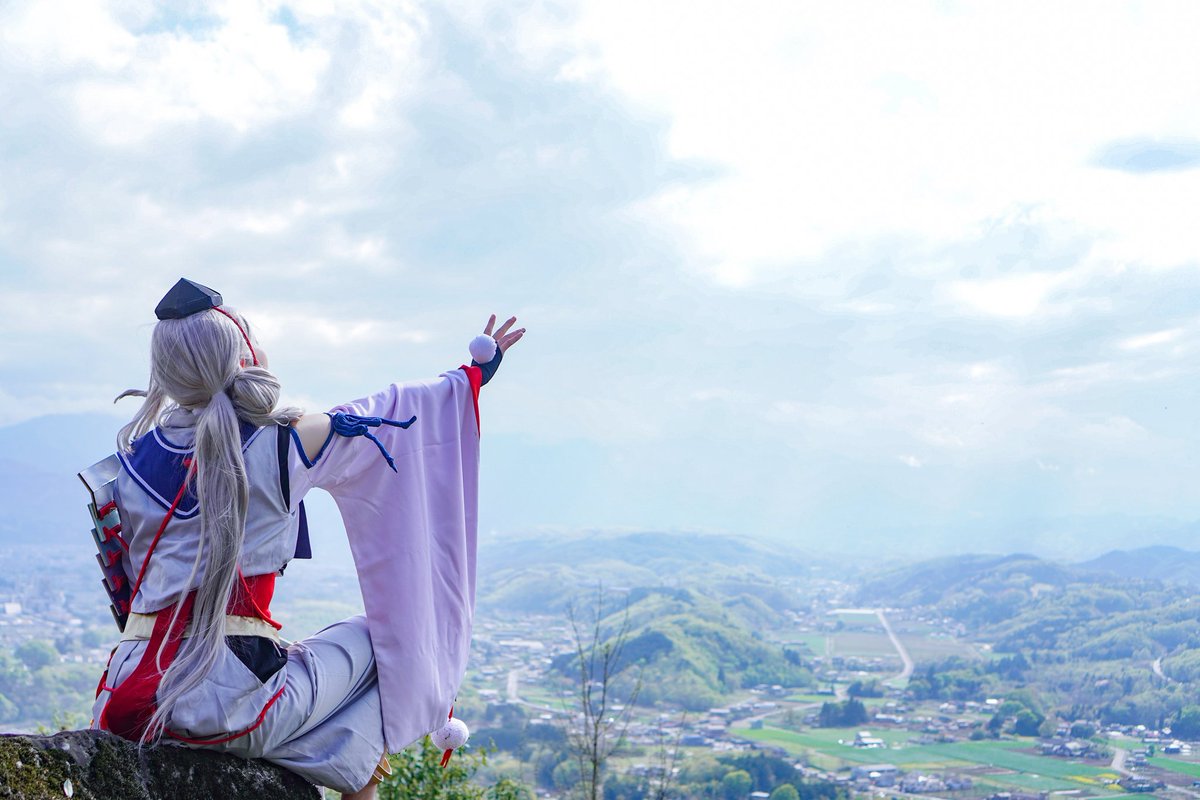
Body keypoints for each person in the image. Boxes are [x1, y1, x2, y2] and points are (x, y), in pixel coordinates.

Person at [88, 278, 524, 799]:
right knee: (389, 640)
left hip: (124, 691)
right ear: (242, 356)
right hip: (224, 698)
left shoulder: (131, 460)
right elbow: (393, 417)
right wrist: (472, 376)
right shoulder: (284, 441)